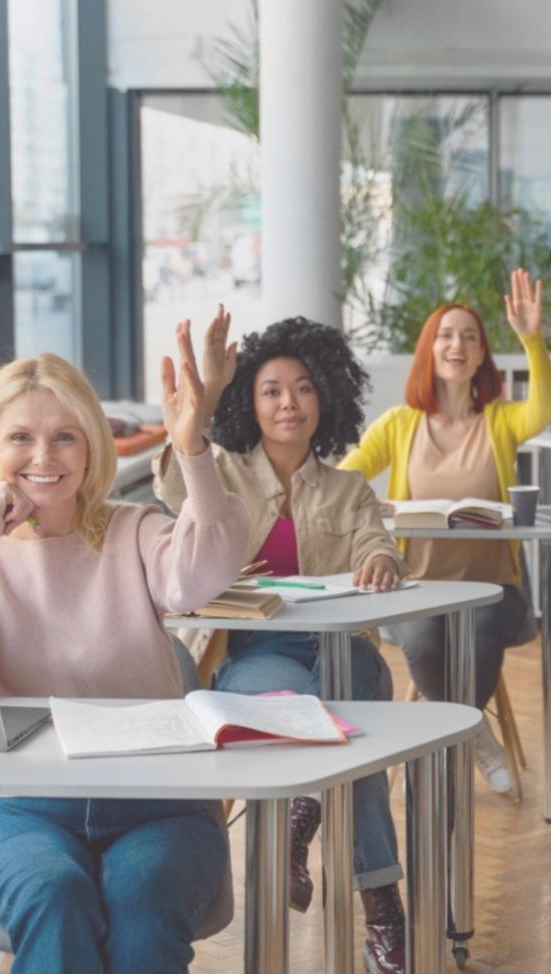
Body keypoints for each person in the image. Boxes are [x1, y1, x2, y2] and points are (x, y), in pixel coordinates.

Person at [0, 332, 250, 973]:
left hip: (159, 807)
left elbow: (204, 574)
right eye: (20, 438)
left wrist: (192, 446)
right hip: (23, 810)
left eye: (65, 435)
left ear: (91, 447)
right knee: (53, 893)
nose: (44, 456)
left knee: (142, 900)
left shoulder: (135, 529)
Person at [153, 309, 410, 974]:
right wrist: (199, 402)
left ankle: (304, 812)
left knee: (345, 692)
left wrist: (382, 558)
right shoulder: (221, 474)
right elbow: (172, 481)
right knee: (351, 746)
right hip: (256, 659)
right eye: (270, 389)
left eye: (302, 387)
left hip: (341, 653)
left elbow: (375, 538)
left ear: (325, 395)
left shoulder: (350, 487)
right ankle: (382, 906)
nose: (288, 402)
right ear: (250, 401)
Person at [340, 269, 551, 795]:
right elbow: (343, 479)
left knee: (480, 630)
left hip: (494, 591)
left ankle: (452, 735)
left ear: (481, 355)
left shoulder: (502, 421)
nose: (456, 344)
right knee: (424, 636)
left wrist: (530, 337)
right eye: (445, 335)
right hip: (415, 589)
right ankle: (473, 733)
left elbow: (544, 407)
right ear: (428, 350)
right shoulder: (399, 424)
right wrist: (374, 500)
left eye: (469, 336)